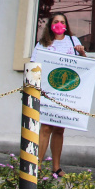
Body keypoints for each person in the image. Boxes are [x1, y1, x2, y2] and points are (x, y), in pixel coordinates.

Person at [31, 13, 85, 177]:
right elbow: (35, 66)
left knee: (60, 130)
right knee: (46, 127)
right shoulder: (43, 43)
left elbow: (83, 65)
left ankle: (56, 166)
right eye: (56, 22)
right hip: (48, 91)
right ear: (50, 25)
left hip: (66, 92)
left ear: (66, 25)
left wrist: (82, 53)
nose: (59, 24)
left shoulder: (73, 41)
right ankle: (37, 166)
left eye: (62, 22)